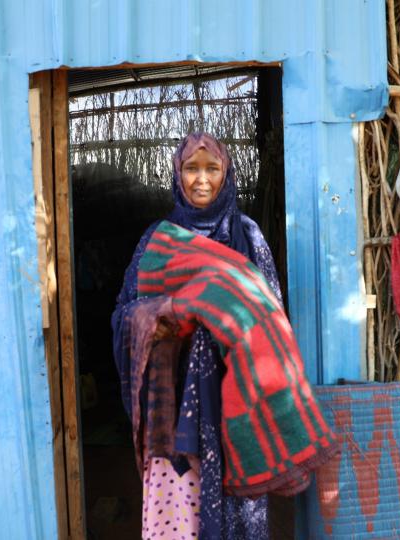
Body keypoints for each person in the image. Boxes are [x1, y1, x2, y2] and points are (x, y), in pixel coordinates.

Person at [111, 132, 280, 539]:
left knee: (239, 514)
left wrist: (224, 318)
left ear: (227, 174)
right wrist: (163, 314)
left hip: (233, 401)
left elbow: (271, 316)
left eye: (212, 168)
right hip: (173, 411)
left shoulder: (247, 236)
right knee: (180, 520)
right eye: (191, 168)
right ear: (177, 174)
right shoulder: (158, 239)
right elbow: (123, 313)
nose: (201, 179)